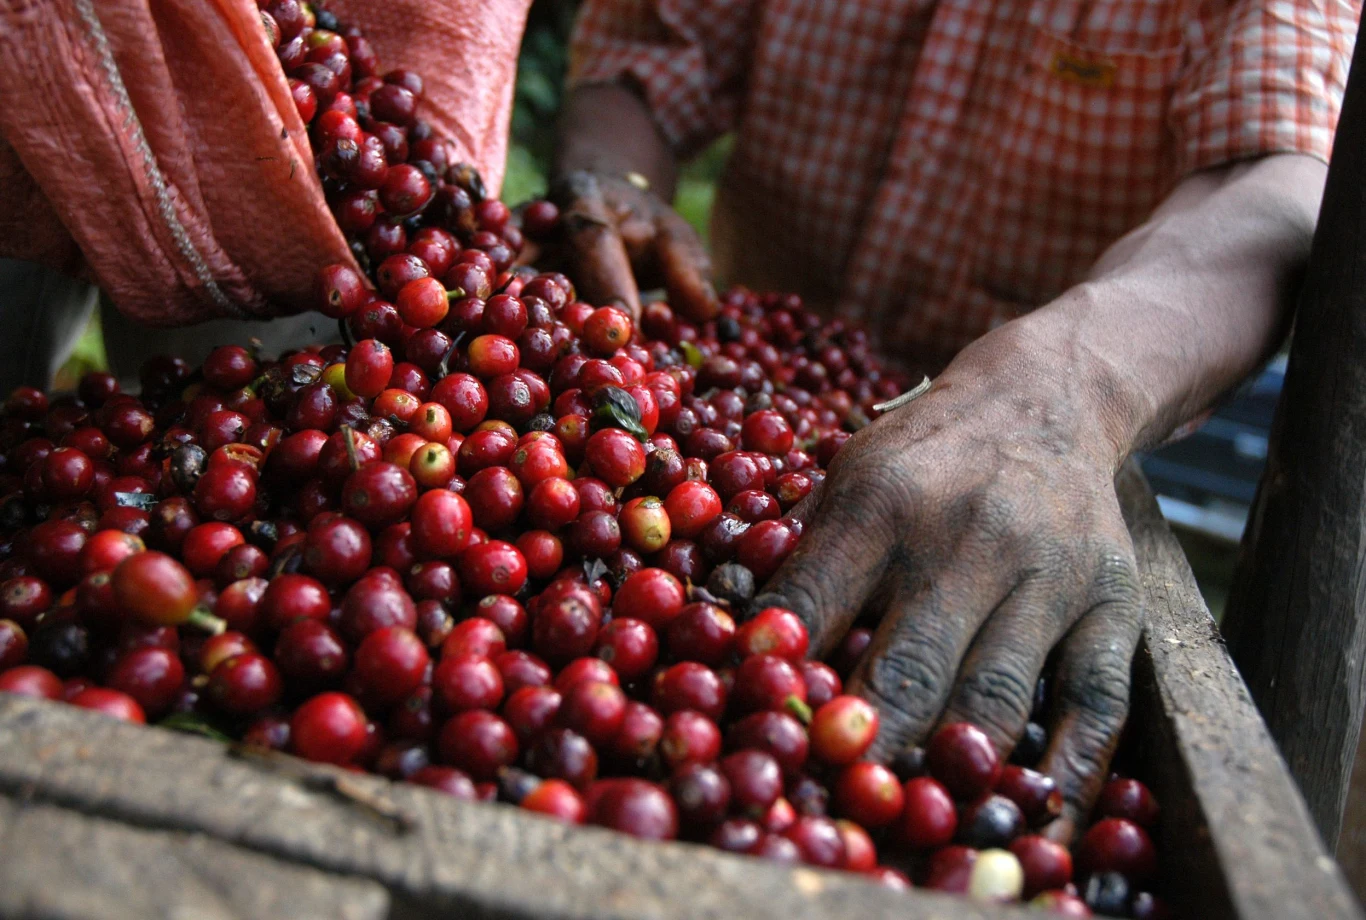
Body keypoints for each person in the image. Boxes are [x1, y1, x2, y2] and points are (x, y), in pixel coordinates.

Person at [551, 0, 1360, 834]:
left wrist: (1067, 384)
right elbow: (649, 50)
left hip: (1047, 458)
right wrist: (622, 183)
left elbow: (1276, 184)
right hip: (747, 375)